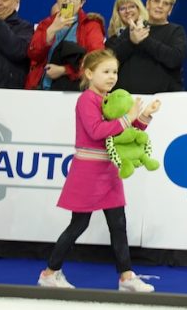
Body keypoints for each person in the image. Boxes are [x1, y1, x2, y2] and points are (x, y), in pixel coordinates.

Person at [37, 49, 160, 292]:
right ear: (89, 73)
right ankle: (49, 273)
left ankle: (126, 277)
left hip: (108, 171)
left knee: (118, 224)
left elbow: (125, 134)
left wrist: (144, 116)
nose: (112, 76)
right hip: (87, 172)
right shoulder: (86, 100)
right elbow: (96, 131)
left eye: (115, 71)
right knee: (78, 224)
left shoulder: (111, 100)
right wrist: (129, 117)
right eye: (106, 71)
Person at [26, 0, 106, 91]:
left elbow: (96, 60)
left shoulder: (91, 25)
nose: (67, 1)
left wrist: (64, 70)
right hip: (41, 87)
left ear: (82, 2)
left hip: (73, 89)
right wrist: (51, 30)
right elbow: (33, 54)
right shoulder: (46, 23)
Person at [106, 0, 187, 95]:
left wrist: (145, 40)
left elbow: (175, 59)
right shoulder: (132, 30)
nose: (160, 6)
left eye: (166, 3)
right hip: (127, 99)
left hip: (162, 100)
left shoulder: (176, 31)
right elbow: (111, 58)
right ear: (148, 4)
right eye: (156, 1)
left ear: (170, 9)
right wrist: (131, 42)